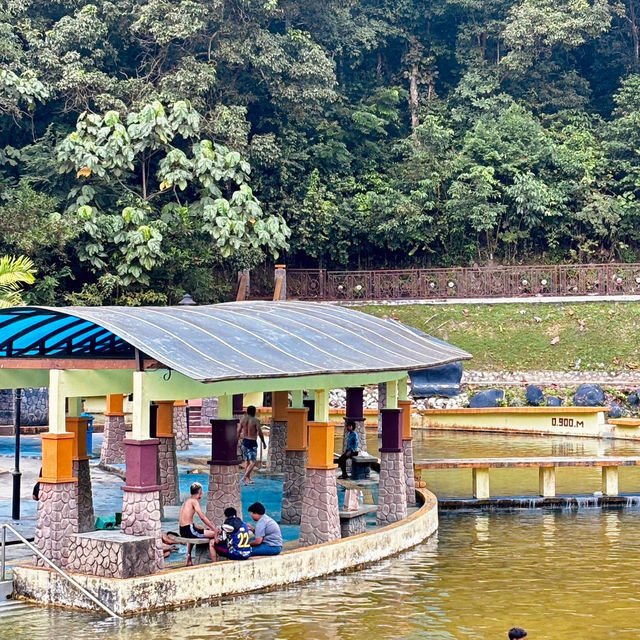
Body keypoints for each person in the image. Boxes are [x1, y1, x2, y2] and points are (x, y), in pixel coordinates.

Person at [178, 482, 219, 565]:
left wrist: (195, 526)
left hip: (183, 530)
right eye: (202, 492)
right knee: (215, 533)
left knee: (200, 530)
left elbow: (185, 519)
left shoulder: (186, 501)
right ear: (200, 492)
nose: (202, 493)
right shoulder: (194, 501)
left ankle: (188, 557)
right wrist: (214, 529)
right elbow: (202, 517)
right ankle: (215, 561)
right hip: (189, 530)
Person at [237, 405, 266, 485]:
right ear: (254, 412)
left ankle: (248, 479)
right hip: (252, 442)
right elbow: (260, 432)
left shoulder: (243, 420)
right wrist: (263, 442)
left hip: (245, 441)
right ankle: (244, 477)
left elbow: (238, 431)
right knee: (253, 462)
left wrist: (236, 441)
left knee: (247, 462)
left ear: (247, 412)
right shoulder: (256, 420)